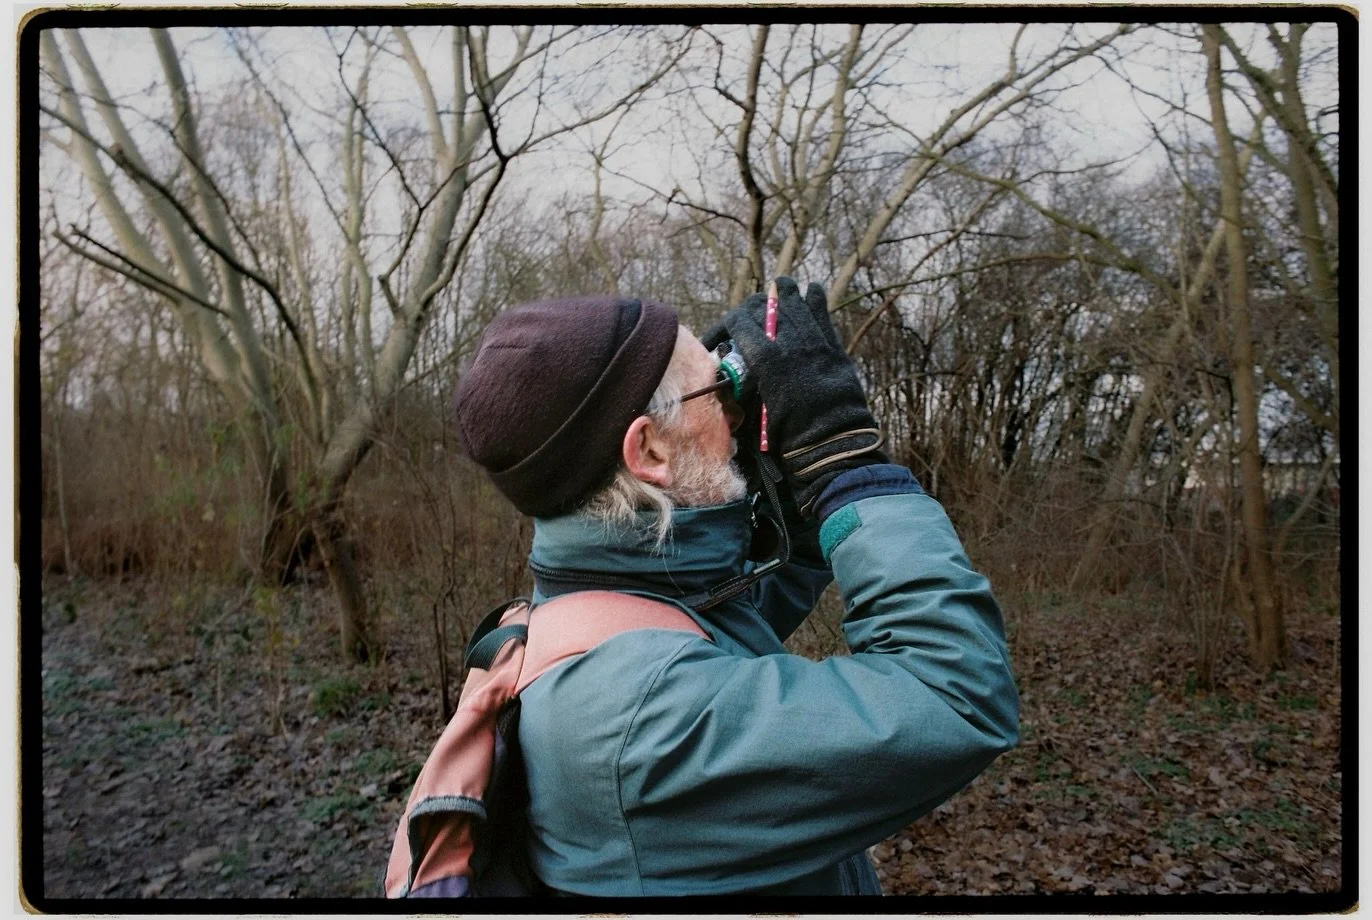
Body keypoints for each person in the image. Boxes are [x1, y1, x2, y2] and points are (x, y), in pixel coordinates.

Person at [450, 277, 1019, 896]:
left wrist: (773, 469)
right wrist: (845, 461)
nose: (738, 409)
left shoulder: (610, 602)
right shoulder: (636, 718)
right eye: (720, 390)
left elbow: (737, 614)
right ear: (649, 450)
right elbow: (954, 693)